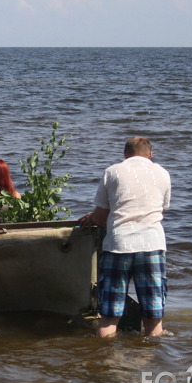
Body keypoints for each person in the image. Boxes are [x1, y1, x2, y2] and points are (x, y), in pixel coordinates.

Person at [78, 137, 171, 338]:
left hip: (119, 245)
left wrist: (91, 218)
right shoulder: (163, 173)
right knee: (154, 321)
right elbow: (161, 209)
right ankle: (154, 363)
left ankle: (106, 361)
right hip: (152, 246)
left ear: (125, 154)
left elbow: (101, 217)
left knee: (109, 318)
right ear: (150, 154)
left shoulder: (113, 172)